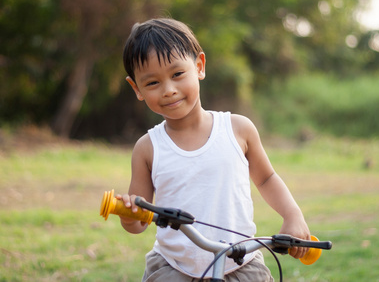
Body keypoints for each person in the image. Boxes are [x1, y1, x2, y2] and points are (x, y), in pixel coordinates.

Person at [117, 18, 310, 282]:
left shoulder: (239, 129)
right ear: (136, 88)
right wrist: (129, 216)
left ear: (199, 66)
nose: (169, 90)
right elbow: (139, 221)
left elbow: (266, 179)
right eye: (152, 83)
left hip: (241, 262)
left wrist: (293, 215)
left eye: (177, 74)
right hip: (173, 267)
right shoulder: (147, 148)